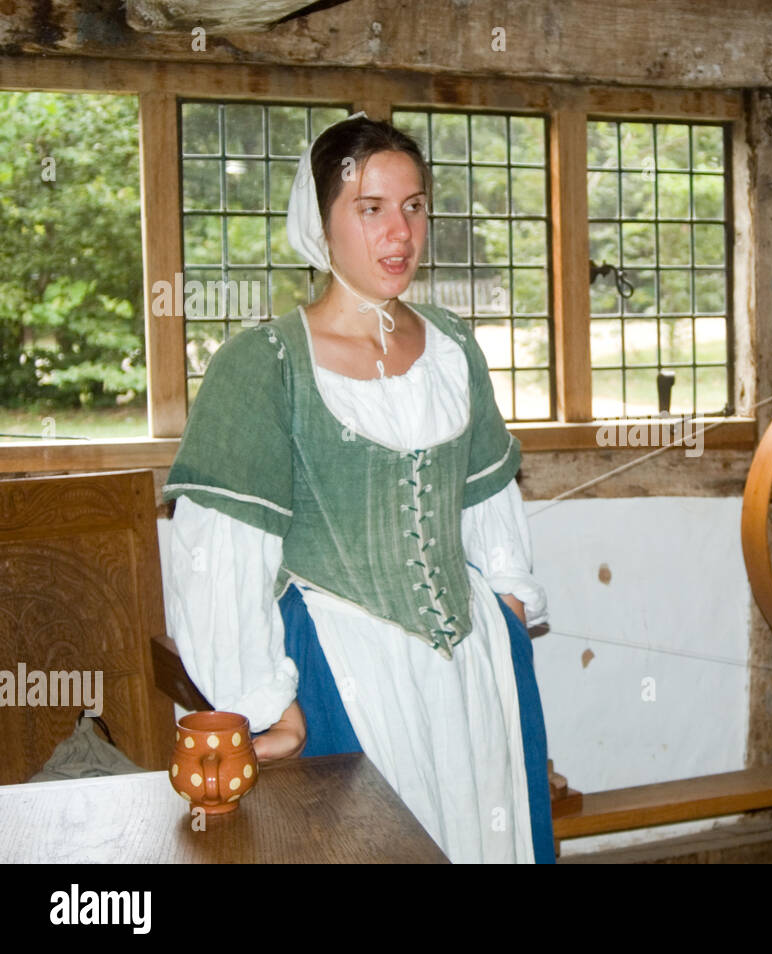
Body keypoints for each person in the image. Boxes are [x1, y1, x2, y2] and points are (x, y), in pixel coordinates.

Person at [161, 114, 555, 863]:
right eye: (369, 208)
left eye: (413, 205)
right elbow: (219, 552)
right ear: (320, 221)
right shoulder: (264, 364)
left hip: (474, 670)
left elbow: (483, 495)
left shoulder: (453, 345)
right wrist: (257, 699)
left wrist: (504, 595)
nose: (398, 232)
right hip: (344, 673)